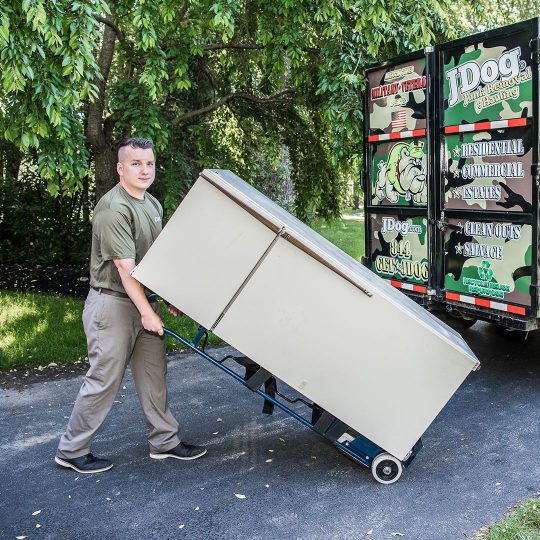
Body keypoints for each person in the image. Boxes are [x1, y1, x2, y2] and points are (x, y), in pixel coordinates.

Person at [55, 137, 206, 474]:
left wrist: (167, 299)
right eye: (136, 164)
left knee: (154, 376)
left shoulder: (152, 204)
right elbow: (126, 268)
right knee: (104, 378)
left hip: (141, 303)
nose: (144, 169)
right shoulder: (113, 209)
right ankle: (72, 449)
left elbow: (156, 261)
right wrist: (148, 312)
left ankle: (165, 441)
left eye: (149, 163)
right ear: (120, 168)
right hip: (113, 306)